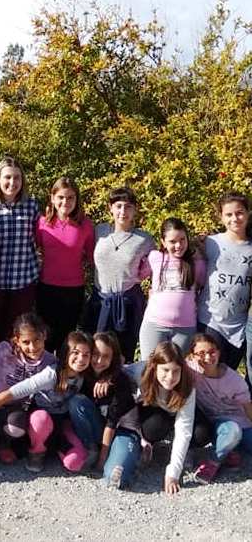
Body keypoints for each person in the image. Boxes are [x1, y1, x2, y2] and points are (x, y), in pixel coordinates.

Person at [0, 330, 93, 474]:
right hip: (41, 425)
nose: (81, 359)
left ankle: (56, 449)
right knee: (40, 419)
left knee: (74, 463)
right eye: (75, 353)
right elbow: (11, 393)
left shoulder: (85, 374)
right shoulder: (51, 374)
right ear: (66, 352)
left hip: (62, 424)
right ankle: (36, 452)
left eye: (86, 354)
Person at [108, 341, 195, 494]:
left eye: (176, 371)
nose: (170, 377)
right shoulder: (140, 372)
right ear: (154, 367)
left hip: (173, 416)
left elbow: (184, 430)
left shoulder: (187, 386)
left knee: (199, 432)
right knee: (154, 426)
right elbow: (119, 371)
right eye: (165, 370)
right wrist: (106, 379)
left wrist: (173, 473)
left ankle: (184, 450)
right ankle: (140, 446)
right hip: (149, 415)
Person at [0, 312, 55, 465]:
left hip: (11, 408)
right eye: (26, 342)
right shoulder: (5, 350)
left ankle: (4, 443)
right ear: (17, 341)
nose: (32, 347)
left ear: (44, 335)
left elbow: (68, 369)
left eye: (37, 340)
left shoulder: (49, 361)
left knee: (17, 427)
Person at [83, 187, 154, 363]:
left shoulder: (144, 239)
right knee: (95, 351)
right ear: (111, 208)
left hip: (128, 303)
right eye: (118, 206)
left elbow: (152, 269)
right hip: (100, 300)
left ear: (135, 210)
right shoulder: (99, 231)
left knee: (122, 354)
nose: (123, 211)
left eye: (128, 207)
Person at [0, 157, 40, 345]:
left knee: (21, 336)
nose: (12, 182)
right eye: (7, 177)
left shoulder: (31, 206)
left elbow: (40, 238)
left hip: (23, 282)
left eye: (17, 178)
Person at [36, 178, 94, 354]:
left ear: (76, 200)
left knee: (66, 341)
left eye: (70, 198)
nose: (65, 202)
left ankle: (63, 371)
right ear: (52, 198)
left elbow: (92, 257)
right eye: (61, 197)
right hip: (46, 288)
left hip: (73, 290)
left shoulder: (85, 225)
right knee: (45, 338)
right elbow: (35, 249)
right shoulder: (42, 223)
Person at [187, 333, 252, 484]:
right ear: (192, 356)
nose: (207, 357)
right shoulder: (190, 370)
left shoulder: (234, 381)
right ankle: (213, 461)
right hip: (219, 425)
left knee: (236, 432)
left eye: (212, 352)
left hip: (244, 424)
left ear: (219, 353)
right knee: (232, 431)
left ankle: (230, 450)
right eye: (201, 353)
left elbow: (248, 409)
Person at [198, 192, 252, 371]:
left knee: (226, 376)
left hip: (238, 326)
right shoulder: (210, 243)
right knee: (206, 374)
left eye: (239, 213)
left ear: (248, 213)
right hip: (209, 321)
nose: (234, 218)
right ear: (221, 217)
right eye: (228, 214)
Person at [139, 218, 206, 360]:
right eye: (172, 241)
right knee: (149, 366)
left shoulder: (196, 263)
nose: (178, 245)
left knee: (177, 368)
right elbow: (138, 274)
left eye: (182, 240)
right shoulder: (155, 257)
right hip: (154, 325)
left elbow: (202, 286)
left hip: (185, 328)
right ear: (163, 242)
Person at [68, 332, 136, 472]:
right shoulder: (85, 371)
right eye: (95, 354)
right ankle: (90, 448)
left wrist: (101, 461)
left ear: (113, 358)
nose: (99, 361)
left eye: (106, 356)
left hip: (119, 431)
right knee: (76, 401)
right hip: (97, 426)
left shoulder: (120, 381)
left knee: (113, 472)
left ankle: (110, 453)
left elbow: (111, 424)